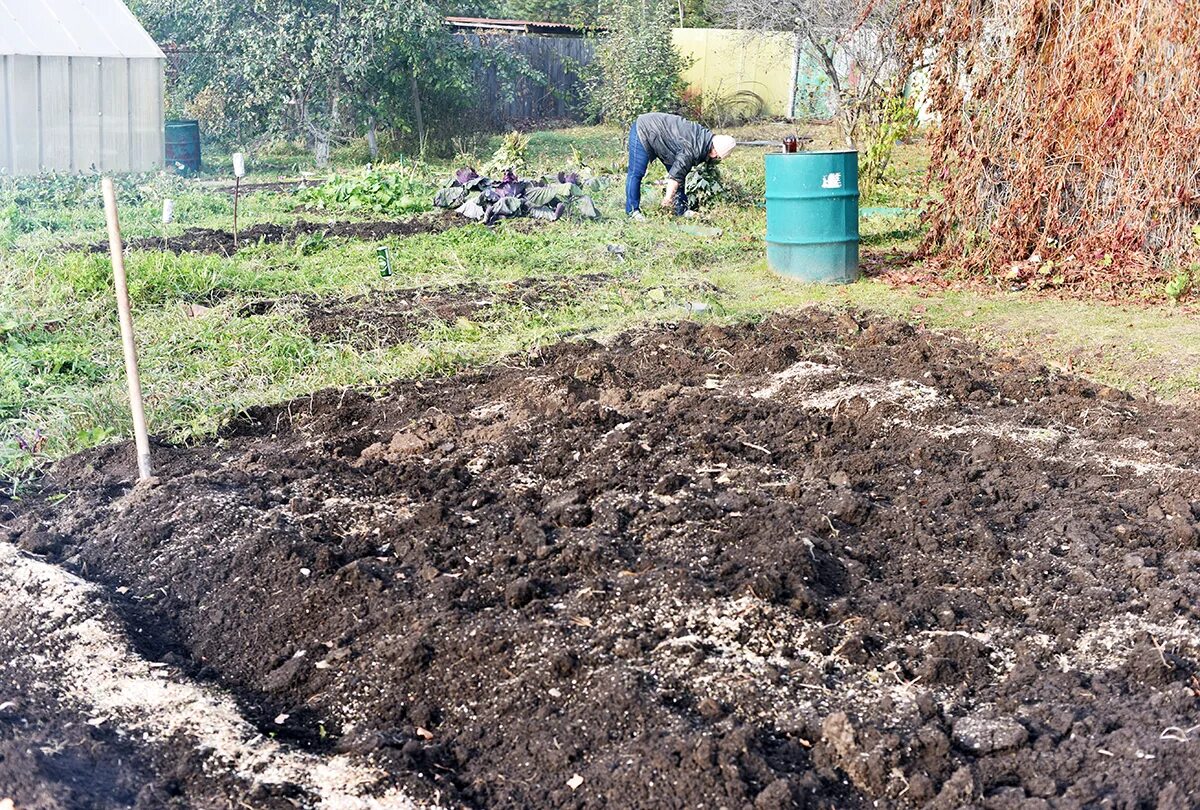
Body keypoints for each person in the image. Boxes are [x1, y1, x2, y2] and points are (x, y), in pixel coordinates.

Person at [625, 112, 737, 221]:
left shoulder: (705, 138)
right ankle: (632, 211)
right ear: (714, 153)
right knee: (636, 172)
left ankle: (681, 210)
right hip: (644, 128)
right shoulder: (692, 149)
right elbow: (675, 177)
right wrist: (668, 199)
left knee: (680, 173)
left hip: (665, 141)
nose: (715, 160)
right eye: (718, 157)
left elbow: (680, 173)